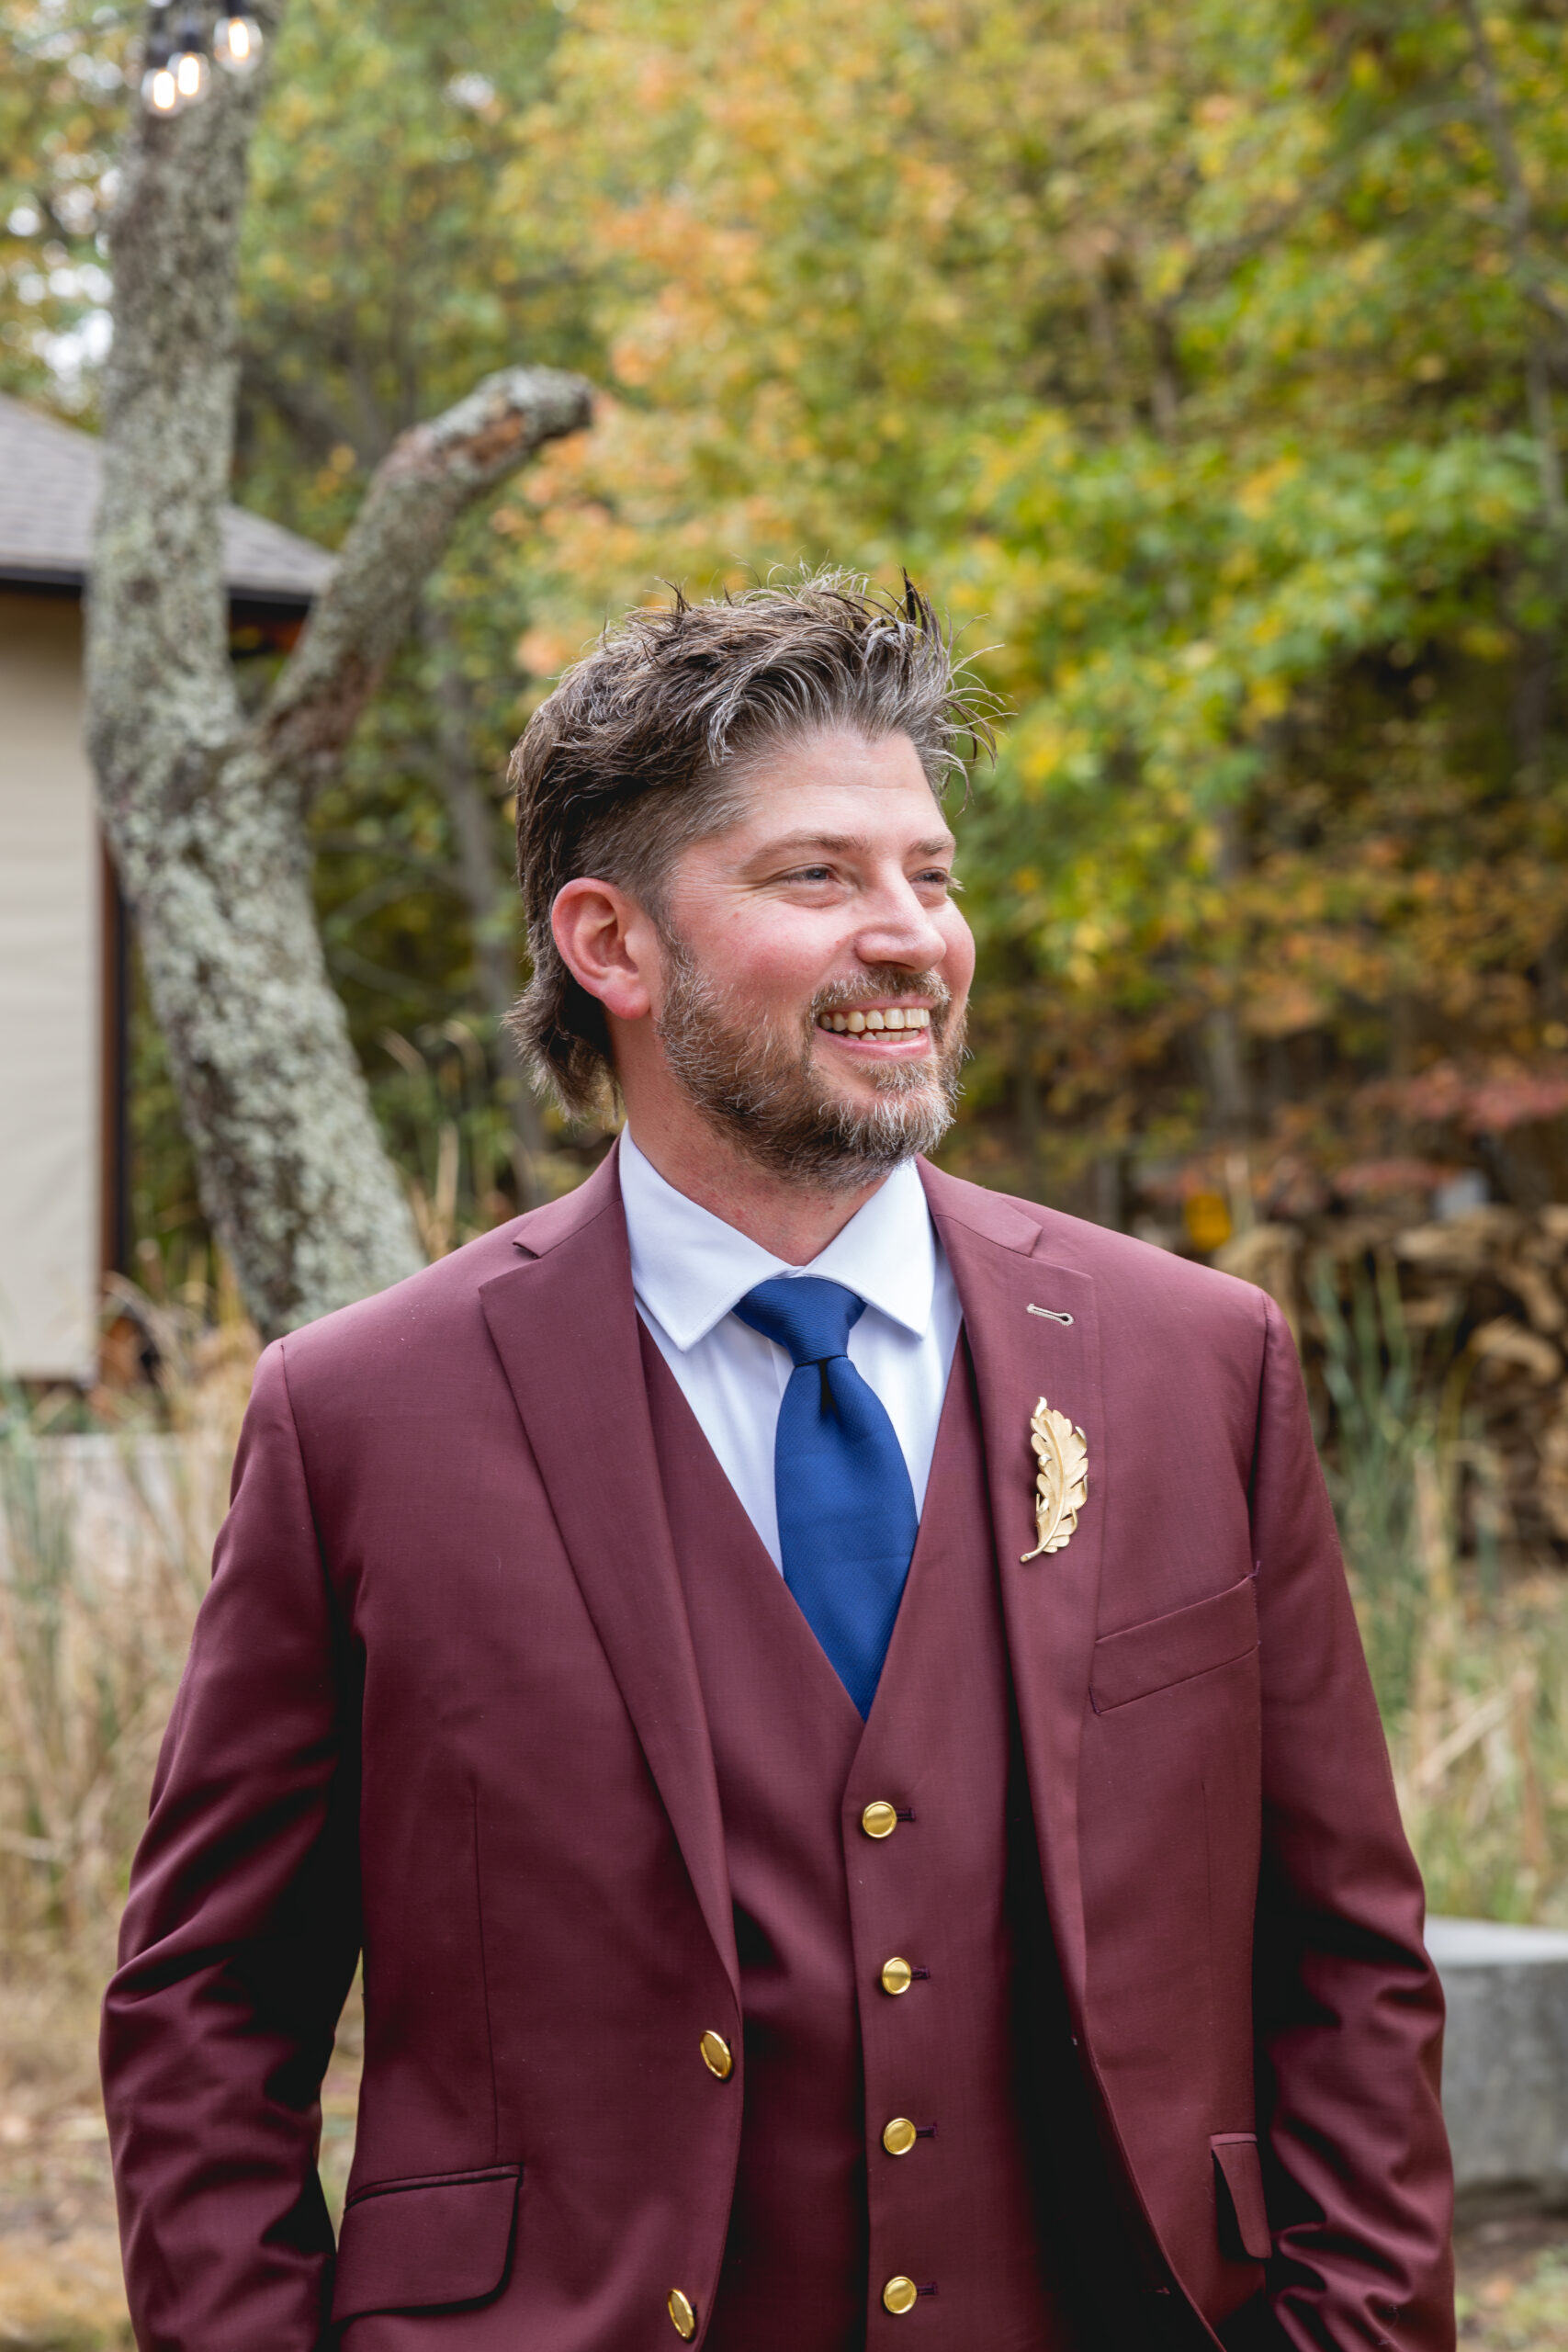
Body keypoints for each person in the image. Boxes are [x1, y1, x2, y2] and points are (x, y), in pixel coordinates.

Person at [101, 571, 1453, 2352]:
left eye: (931, 874)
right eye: (815, 875)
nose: (908, 933)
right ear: (612, 943)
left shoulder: (1195, 1361)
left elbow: (1343, 1963)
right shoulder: (359, 1415)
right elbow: (206, 2010)